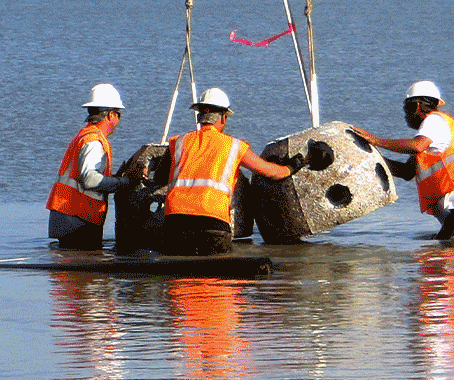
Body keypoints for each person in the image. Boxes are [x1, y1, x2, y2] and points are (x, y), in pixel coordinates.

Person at [156, 87, 296, 256]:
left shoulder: (178, 142)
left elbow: (159, 176)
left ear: (200, 116)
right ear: (222, 118)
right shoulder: (234, 146)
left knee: (178, 275)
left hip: (176, 223)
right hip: (213, 223)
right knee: (218, 279)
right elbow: (272, 172)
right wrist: (292, 166)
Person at [350, 81, 454, 241]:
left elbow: (417, 146)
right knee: (448, 252)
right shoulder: (432, 138)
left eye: (406, 109)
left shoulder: (434, 121)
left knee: (451, 250)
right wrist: (370, 158)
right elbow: (406, 172)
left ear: (416, 106)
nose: (406, 115)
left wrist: (375, 140)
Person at [47, 83, 132, 250]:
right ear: (111, 115)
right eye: (119, 115)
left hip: (68, 215)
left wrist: (115, 179)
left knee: (70, 273)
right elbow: (91, 180)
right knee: (83, 274)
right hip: (76, 219)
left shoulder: (85, 136)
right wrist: (124, 182)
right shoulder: (93, 140)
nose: (118, 120)